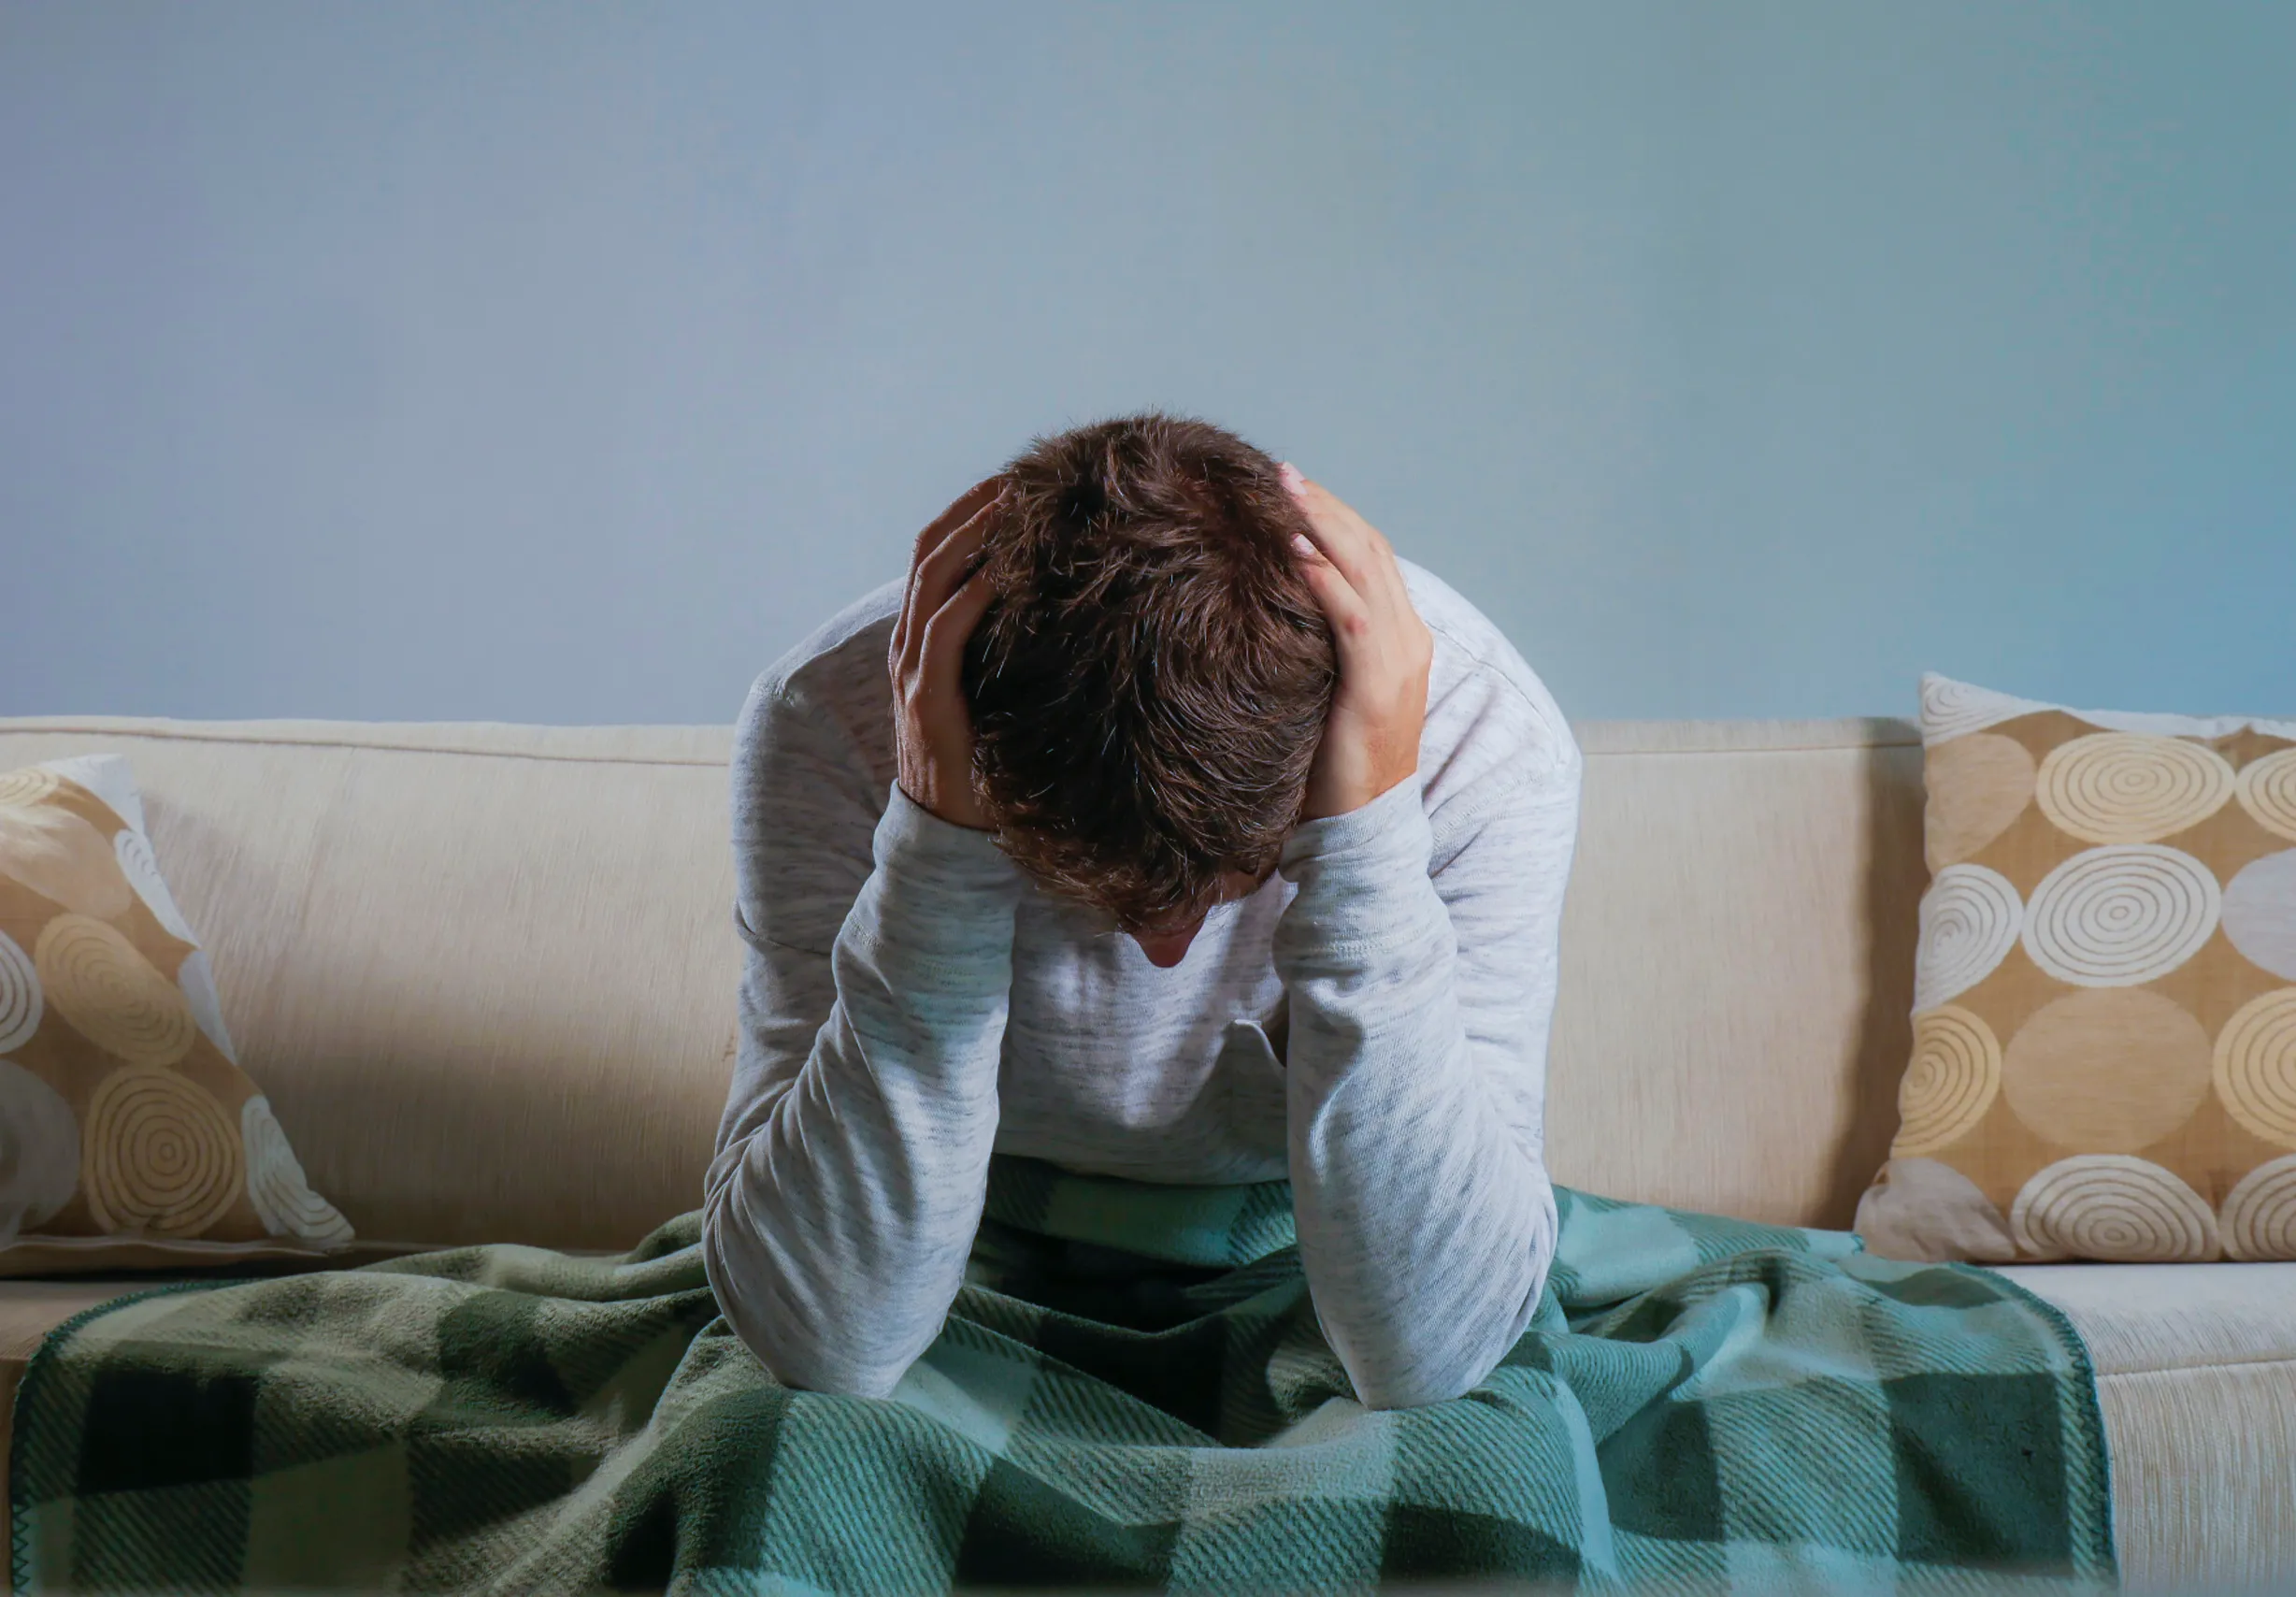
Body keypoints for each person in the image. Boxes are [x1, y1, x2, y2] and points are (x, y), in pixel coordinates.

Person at [703, 415, 1581, 1410]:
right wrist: (936, 852)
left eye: (1232, 884)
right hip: (953, 1246)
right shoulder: (826, 718)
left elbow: (1427, 1353)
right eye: (1082, 896)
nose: (1163, 955)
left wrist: (1366, 848)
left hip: (1323, 1251)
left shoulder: (1483, 732)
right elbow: (825, 1341)